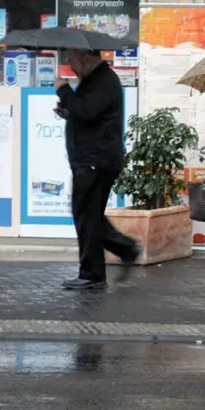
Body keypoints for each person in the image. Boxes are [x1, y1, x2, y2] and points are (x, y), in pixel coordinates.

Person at [54, 49, 139, 290]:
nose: (71, 67)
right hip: (91, 159)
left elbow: (87, 111)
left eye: (72, 59)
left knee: (86, 216)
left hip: (95, 161)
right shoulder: (96, 80)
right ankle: (124, 249)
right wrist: (68, 110)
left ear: (85, 56)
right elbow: (86, 113)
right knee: (89, 215)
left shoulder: (104, 80)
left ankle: (92, 274)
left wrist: (63, 90)